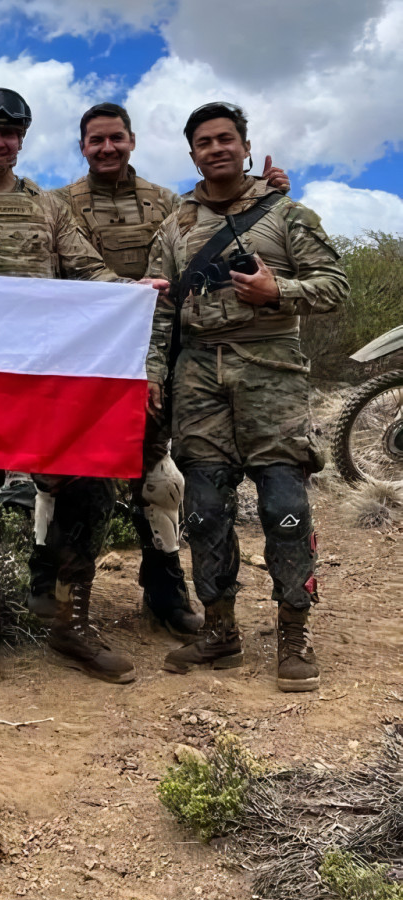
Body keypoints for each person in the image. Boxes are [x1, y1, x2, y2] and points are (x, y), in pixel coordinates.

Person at [0, 103, 289, 641]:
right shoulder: (53, 203)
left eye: (116, 138)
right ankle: (45, 580)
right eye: (95, 140)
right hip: (76, 362)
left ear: (132, 140)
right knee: (60, 474)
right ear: (82, 147)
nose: (107, 148)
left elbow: (221, 216)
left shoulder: (168, 203)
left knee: (158, 479)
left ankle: (164, 586)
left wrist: (265, 190)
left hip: (153, 354)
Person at [0, 88, 166, 687]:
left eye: (9, 133)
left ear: (22, 139)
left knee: (89, 489)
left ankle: (69, 620)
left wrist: (129, 294)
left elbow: (86, 268)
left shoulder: (49, 208)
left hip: (45, 380)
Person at [144, 101, 349, 692]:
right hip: (198, 375)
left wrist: (275, 289)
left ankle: (294, 633)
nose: (216, 149)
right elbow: (161, 308)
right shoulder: (175, 226)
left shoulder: (285, 213)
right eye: (204, 142)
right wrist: (154, 371)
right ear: (193, 154)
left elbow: (334, 285)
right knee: (205, 509)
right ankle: (219, 630)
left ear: (243, 144)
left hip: (271, 368)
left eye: (225, 139)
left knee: (284, 506)